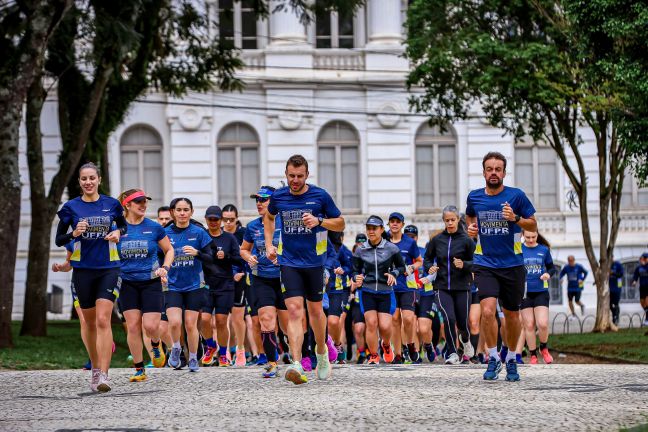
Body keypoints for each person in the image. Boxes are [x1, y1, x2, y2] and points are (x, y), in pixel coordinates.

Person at [264, 154, 345, 385]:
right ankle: (297, 363)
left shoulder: (319, 196)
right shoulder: (279, 196)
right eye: (291, 176)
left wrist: (320, 221)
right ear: (286, 174)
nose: (295, 180)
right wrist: (270, 245)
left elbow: (340, 222)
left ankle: (321, 353)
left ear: (307, 175)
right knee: (294, 311)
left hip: (315, 263)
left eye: (300, 176)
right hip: (289, 262)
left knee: (316, 312)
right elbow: (269, 218)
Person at [55, 162, 127, 392]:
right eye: (84, 179)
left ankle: (104, 374)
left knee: (104, 319)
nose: (88, 182)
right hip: (83, 270)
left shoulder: (111, 205)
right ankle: (95, 368)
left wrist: (117, 232)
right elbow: (59, 239)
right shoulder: (71, 207)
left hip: (109, 268)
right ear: (79, 182)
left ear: (99, 180)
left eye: (91, 178)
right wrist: (73, 233)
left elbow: (123, 227)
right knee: (89, 322)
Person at [465, 152, 537, 382]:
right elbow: (469, 218)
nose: (494, 172)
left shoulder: (516, 196)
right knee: (487, 311)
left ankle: (513, 358)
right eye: (489, 168)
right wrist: (472, 229)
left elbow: (533, 223)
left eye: (498, 169)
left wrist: (515, 218)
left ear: (504, 173)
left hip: (512, 264)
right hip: (485, 263)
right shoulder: (474, 197)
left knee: (511, 315)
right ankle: (494, 358)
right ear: (484, 172)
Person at [117, 189, 174, 381]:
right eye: (139, 202)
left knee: (150, 326)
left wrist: (165, 267)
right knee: (133, 326)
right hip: (127, 283)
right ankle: (139, 369)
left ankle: (156, 344)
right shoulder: (118, 228)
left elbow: (169, 250)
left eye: (145, 201)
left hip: (150, 282)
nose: (143, 205)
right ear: (127, 205)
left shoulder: (154, 227)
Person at [240, 186, 289, 378]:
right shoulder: (252, 226)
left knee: (287, 326)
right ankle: (271, 362)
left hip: (285, 278)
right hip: (261, 278)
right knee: (266, 321)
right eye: (257, 200)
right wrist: (247, 257)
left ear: (273, 202)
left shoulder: (285, 222)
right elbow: (243, 249)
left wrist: (284, 258)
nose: (259, 203)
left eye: (264, 200)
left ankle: (300, 356)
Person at [165, 198, 213, 372]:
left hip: (194, 285)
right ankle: (176, 347)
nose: (182, 213)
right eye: (179, 210)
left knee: (191, 324)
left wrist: (198, 253)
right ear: (173, 212)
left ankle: (193, 357)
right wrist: (160, 271)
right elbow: (156, 256)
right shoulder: (165, 233)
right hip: (172, 285)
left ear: (191, 212)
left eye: (186, 210)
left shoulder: (199, 232)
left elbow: (211, 257)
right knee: (175, 322)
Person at [423, 206, 475, 365]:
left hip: (462, 287)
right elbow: (427, 259)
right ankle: (452, 353)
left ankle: (465, 340)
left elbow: (478, 262)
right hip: (442, 286)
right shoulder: (437, 241)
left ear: (458, 219)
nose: (450, 223)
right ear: (444, 221)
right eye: (447, 220)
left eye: (453, 220)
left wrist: (464, 264)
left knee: (462, 323)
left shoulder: (467, 240)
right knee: (448, 318)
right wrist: (429, 268)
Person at [352, 215, 405, 365]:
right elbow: (354, 270)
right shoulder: (360, 250)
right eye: (369, 228)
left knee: (385, 326)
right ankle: (374, 355)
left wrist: (394, 274)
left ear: (381, 230)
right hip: (367, 291)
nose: (371, 231)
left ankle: (386, 345)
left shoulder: (391, 248)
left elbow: (401, 267)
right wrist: (357, 277)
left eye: (374, 228)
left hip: (385, 291)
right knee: (371, 323)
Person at [199, 205, 243, 367]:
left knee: (221, 321)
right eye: (210, 219)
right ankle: (211, 345)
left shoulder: (229, 238)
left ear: (221, 221)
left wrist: (227, 256)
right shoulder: (202, 237)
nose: (213, 222)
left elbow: (239, 259)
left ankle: (223, 354)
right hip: (205, 284)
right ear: (206, 220)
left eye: (216, 219)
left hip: (225, 284)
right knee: (204, 319)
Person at [387, 212, 423, 364]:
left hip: (407, 286)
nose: (394, 224)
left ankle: (410, 344)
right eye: (392, 221)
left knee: (408, 319)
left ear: (402, 224)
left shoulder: (409, 242)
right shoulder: (384, 242)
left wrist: (411, 267)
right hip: (390, 286)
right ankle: (398, 354)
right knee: (395, 319)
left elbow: (420, 261)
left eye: (397, 222)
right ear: (388, 224)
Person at [405, 224, 440, 363]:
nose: (411, 240)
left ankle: (428, 345)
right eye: (407, 237)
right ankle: (416, 353)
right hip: (410, 292)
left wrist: (429, 278)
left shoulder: (424, 252)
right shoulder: (400, 253)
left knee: (424, 328)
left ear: (417, 237)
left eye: (413, 237)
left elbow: (435, 268)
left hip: (426, 293)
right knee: (411, 324)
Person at [520, 230, 555, 365]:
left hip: (541, 290)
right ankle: (533, 354)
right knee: (528, 325)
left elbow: (552, 268)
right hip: (525, 292)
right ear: (523, 235)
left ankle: (544, 348)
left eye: (533, 237)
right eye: (527, 237)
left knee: (542, 323)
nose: (530, 239)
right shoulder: (519, 250)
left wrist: (548, 274)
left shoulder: (543, 250)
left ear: (537, 235)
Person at [221, 204, 249, 366]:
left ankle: (240, 350)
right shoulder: (219, 234)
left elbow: (248, 254)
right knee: (222, 319)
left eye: (232, 219)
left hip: (240, 279)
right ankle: (225, 351)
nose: (229, 223)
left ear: (237, 219)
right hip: (223, 280)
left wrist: (242, 273)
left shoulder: (243, 234)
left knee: (238, 319)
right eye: (226, 220)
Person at [633, 253, 648, 326]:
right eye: (643, 258)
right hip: (642, 287)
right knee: (642, 303)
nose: (644, 260)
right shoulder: (639, 267)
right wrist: (634, 281)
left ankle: (647, 319)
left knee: (647, 302)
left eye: (645, 258)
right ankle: (647, 313)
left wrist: (645, 265)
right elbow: (636, 275)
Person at [609, 256, 624, 326]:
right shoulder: (606, 265)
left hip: (617, 288)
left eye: (610, 258)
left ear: (612, 257)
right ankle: (614, 314)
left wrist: (612, 273)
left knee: (616, 303)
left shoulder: (618, 264)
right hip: (609, 288)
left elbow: (621, 274)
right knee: (609, 304)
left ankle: (616, 317)